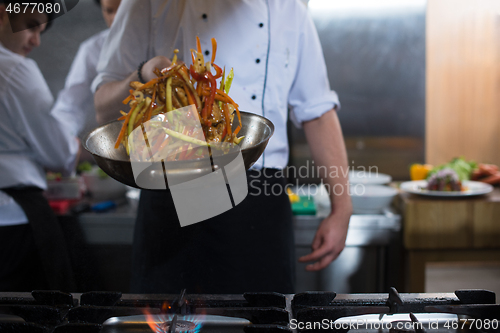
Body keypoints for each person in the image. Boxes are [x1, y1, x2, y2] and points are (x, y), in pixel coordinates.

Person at [93, 0, 352, 294]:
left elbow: (317, 113)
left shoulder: (288, 8)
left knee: (263, 320)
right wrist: (142, 75)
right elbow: (103, 108)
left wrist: (342, 209)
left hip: (260, 196)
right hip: (173, 192)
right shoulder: (147, 3)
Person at [0, 0, 79, 291]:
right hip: (12, 220)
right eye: (31, 26)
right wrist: (73, 146)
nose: (36, 40)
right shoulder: (14, 69)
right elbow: (58, 153)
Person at [51, 0, 121, 139]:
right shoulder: (92, 50)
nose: (116, 18)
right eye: (109, 11)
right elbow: (70, 106)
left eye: (124, 11)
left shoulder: (165, 45)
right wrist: (65, 141)